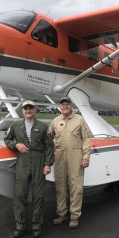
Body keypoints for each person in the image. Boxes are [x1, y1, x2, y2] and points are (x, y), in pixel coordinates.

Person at [4, 100, 54, 238]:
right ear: (22, 111)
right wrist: (16, 145)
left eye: (31, 108)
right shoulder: (15, 125)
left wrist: (48, 164)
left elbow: (49, 146)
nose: (28, 110)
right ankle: (21, 226)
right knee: (20, 194)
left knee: (38, 195)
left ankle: (37, 225)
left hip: (38, 160)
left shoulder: (43, 126)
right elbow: (7, 139)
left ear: (35, 110)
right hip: (22, 160)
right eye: (26, 108)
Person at [49, 96, 91, 229]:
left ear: (71, 106)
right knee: (60, 186)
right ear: (60, 107)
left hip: (76, 155)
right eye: (62, 105)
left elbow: (86, 139)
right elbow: (48, 136)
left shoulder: (79, 120)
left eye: (67, 104)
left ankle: (74, 216)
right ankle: (62, 214)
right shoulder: (56, 121)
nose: (65, 106)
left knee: (76, 187)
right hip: (60, 156)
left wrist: (85, 157)